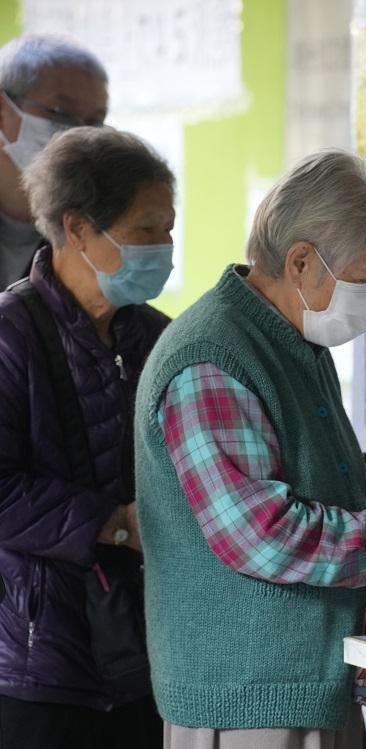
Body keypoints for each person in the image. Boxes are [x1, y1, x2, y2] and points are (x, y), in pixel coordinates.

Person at [135, 149, 366, 748]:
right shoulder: (212, 359)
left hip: (309, 680)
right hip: (247, 698)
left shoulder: (293, 343)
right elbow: (258, 532)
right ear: (302, 261)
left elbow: (294, 487)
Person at [0, 126, 176, 748]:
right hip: (40, 662)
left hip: (151, 650)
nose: (166, 247)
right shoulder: (10, 335)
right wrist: (114, 522)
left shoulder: (160, 338)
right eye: (145, 230)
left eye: (169, 228)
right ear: (78, 229)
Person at [0, 33, 108, 287]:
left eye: (95, 122)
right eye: (61, 112)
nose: (79, 133)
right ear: (3, 114)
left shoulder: (87, 233)